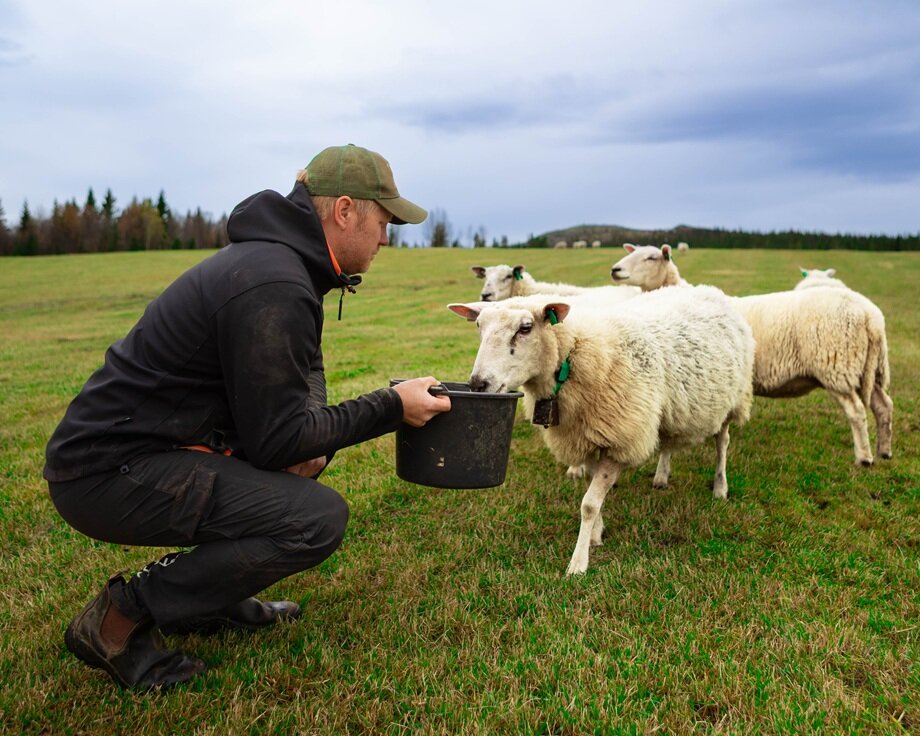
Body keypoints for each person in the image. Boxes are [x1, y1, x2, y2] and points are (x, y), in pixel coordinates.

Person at [44, 144, 451, 690]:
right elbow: (279, 440)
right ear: (346, 210)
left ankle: (213, 599)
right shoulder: (274, 282)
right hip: (102, 471)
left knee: (304, 465)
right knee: (315, 518)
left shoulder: (286, 267)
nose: (385, 238)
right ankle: (120, 617)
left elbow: (296, 404)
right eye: (384, 221)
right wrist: (393, 405)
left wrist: (314, 441)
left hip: (144, 451)